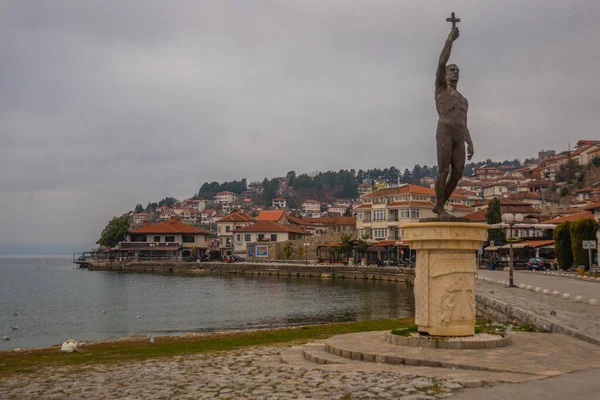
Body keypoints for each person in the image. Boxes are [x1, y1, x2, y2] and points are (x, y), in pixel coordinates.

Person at [433, 26, 474, 216]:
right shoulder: (441, 88)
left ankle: (440, 203)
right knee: (443, 170)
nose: (455, 72)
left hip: (459, 135)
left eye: (457, 70)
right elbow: (441, 62)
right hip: (444, 130)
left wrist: (470, 142)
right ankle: (440, 208)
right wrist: (449, 40)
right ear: (446, 74)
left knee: (458, 172)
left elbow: (464, 122)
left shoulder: (463, 99)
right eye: (452, 70)